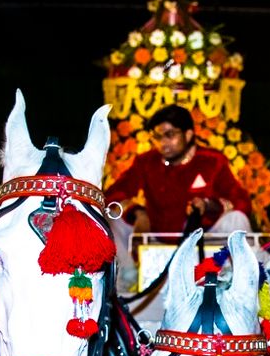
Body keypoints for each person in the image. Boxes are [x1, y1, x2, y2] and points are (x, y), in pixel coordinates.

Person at [104, 104, 253, 290]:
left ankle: (240, 280)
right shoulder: (146, 162)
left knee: (237, 219)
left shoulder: (211, 160)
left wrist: (211, 206)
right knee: (109, 215)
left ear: (188, 135)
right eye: (157, 136)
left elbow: (242, 201)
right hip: (156, 237)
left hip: (201, 238)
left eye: (169, 135)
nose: (162, 143)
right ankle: (126, 278)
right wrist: (137, 213)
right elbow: (112, 195)